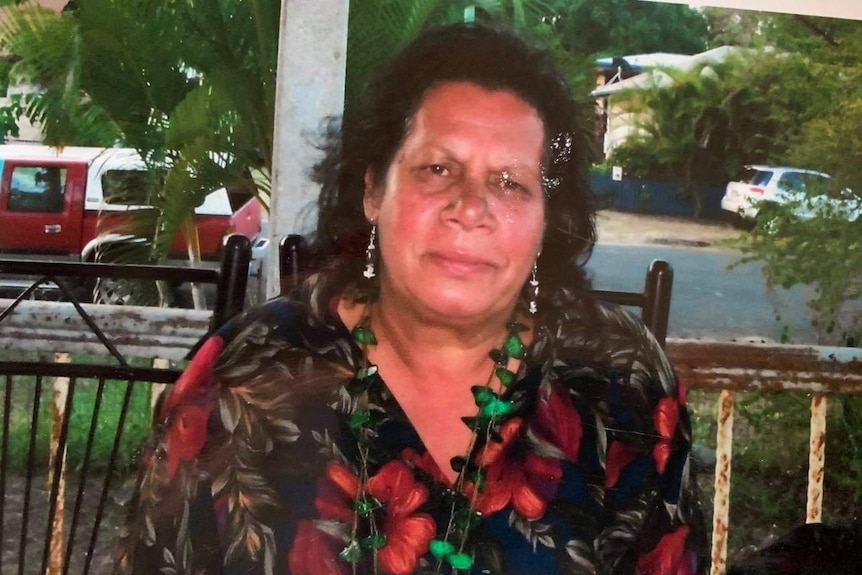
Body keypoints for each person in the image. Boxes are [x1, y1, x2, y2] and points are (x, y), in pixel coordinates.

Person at [115, 23, 708, 575]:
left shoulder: (622, 385)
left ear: (548, 219)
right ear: (374, 188)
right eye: (438, 169)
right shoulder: (244, 380)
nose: (471, 208)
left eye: (511, 183)